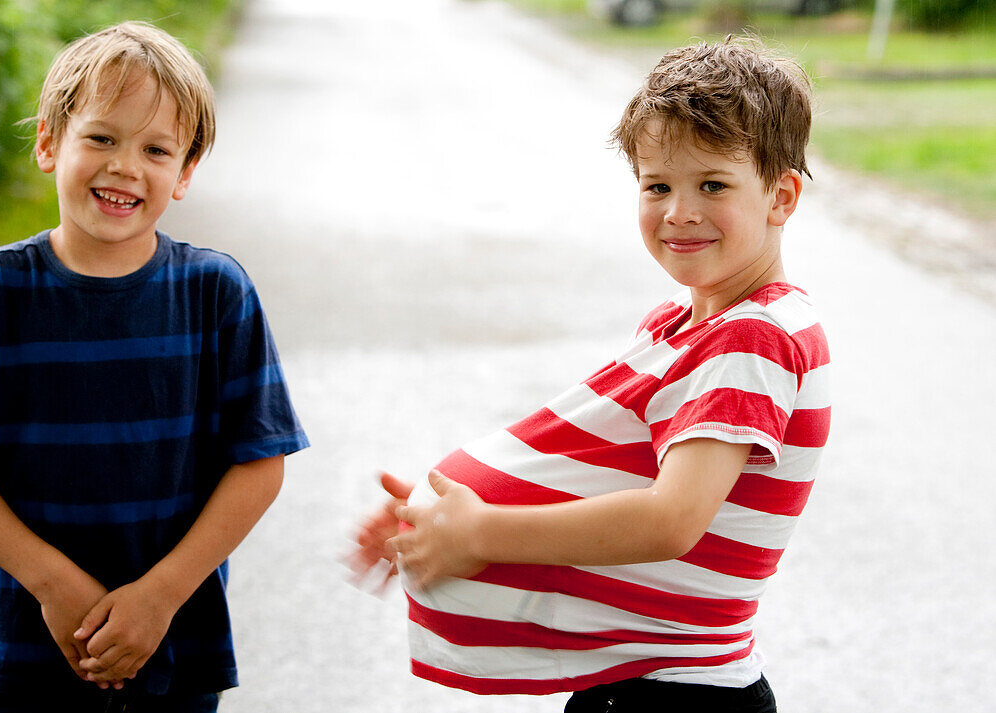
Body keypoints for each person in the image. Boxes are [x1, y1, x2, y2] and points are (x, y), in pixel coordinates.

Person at [350, 37, 829, 713]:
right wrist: (433, 521)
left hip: (681, 693)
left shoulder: (751, 337)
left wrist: (481, 530)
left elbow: (671, 520)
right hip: (638, 682)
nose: (679, 212)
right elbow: (593, 474)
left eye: (712, 185)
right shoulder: (682, 324)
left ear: (781, 196)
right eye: (657, 185)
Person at [0, 21, 308, 713]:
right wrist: (54, 584)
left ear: (184, 173)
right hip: (19, 651)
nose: (125, 166)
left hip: (173, 646)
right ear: (49, 143)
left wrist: (160, 595)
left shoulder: (215, 292)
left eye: (156, 149)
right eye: (101, 138)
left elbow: (259, 461)